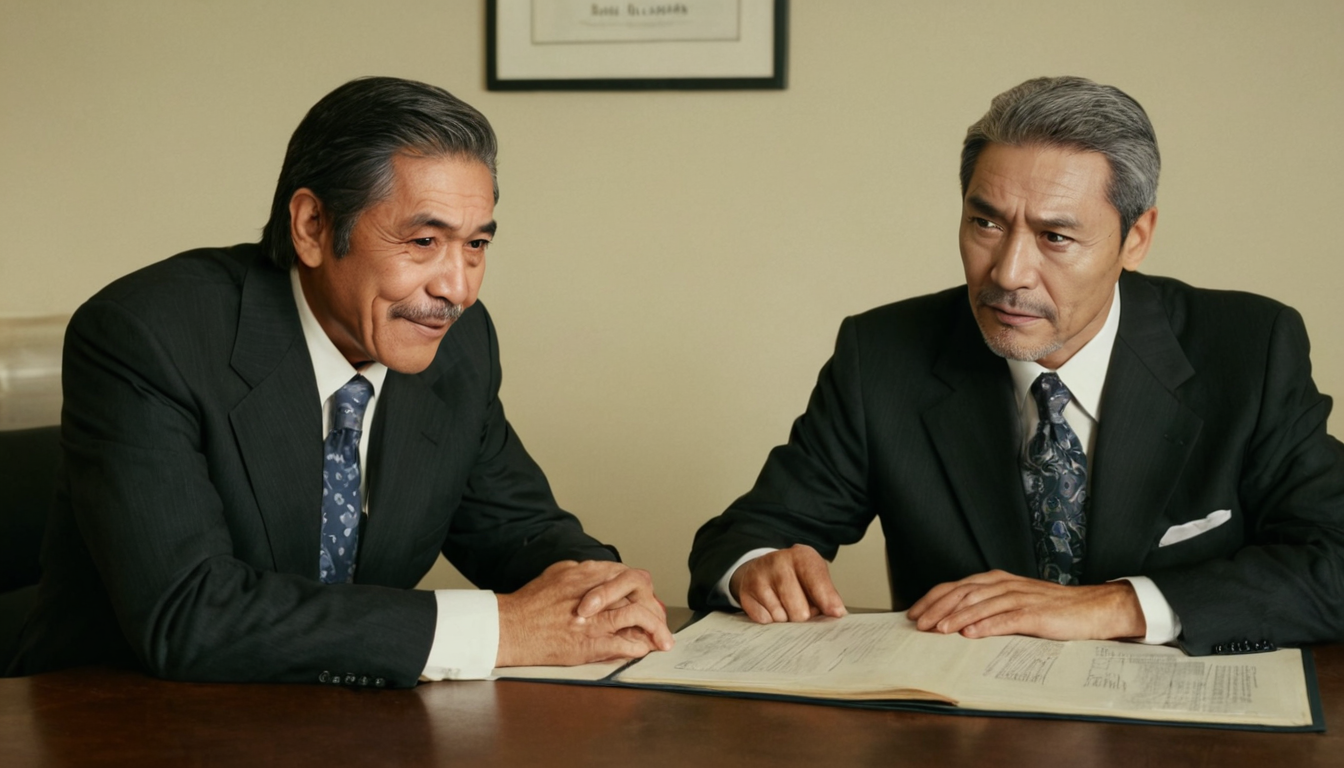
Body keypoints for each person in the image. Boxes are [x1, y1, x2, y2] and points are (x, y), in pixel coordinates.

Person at [8, 76, 672, 686]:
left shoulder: (458, 344)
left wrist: (595, 586)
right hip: (117, 721)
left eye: (476, 245)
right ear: (313, 227)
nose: (457, 287)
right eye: (423, 243)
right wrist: (505, 628)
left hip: (344, 728)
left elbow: (517, 527)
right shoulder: (150, 336)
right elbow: (189, 613)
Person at [688, 76, 1344, 655]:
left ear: (1135, 239)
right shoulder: (884, 355)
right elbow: (746, 535)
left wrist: (1116, 606)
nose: (1008, 273)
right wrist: (756, 567)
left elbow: (1335, 561)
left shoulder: (1247, 348)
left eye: (1055, 236)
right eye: (986, 223)